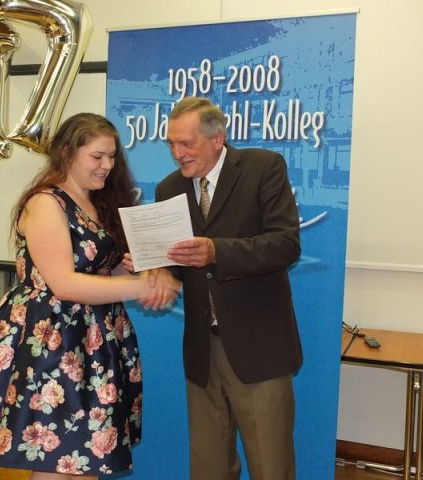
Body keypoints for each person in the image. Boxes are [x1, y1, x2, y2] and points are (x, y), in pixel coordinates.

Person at [0, 113, 180, 479]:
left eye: (112, 156)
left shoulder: (98, 202)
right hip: (52, 343)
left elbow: (99, 273)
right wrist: (143, 286)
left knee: (87, 457)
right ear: (68, 153)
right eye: (97, 156)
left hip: (92, 342)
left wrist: (142, 271)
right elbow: (65, 284)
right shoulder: (46, 203)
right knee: (56, 458)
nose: (107, 165)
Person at [155, 97, 302, 480]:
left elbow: (285, 244)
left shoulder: (263, 168)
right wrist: (154, 268)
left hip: (259, 348)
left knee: (271, 467)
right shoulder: (168, 189)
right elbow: (175, 263)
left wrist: (217, 252)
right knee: (209, 469)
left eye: (186, 143)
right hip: (202, 351)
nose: (177, 153)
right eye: (171, 144)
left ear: (217, 138)